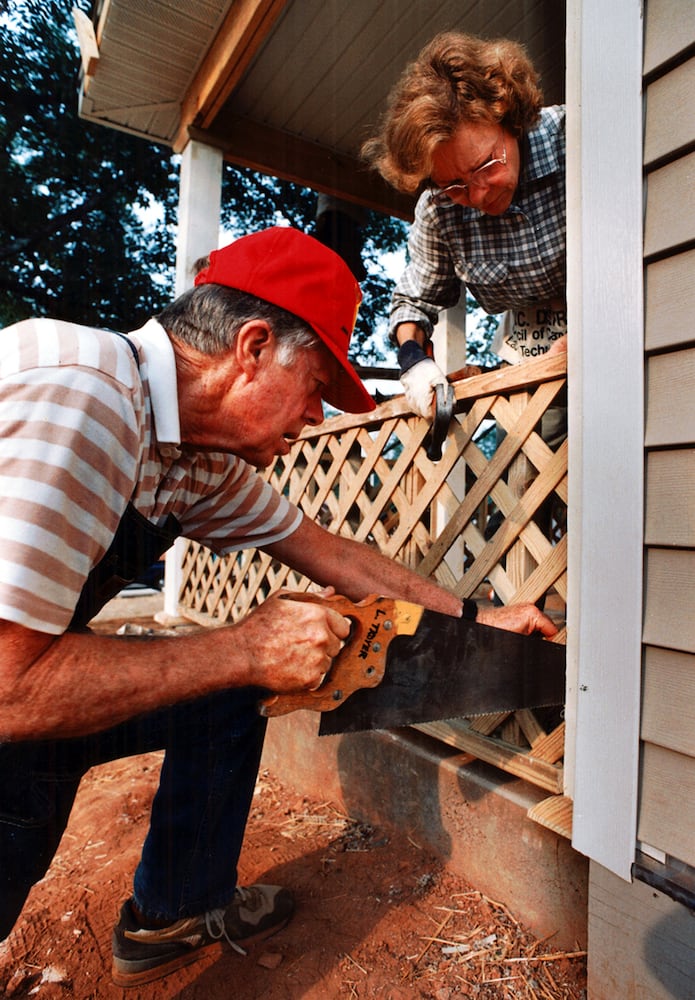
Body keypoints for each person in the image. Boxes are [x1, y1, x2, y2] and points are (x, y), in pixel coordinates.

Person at [0, 226, 556, 987]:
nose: (317, 420)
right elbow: (8, 690)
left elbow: (330, 552)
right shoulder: (85, 395)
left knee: (231, 695)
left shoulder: (188, 454)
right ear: (253, 348)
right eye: (316, 388)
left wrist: (472, 619)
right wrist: (244, 648)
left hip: (19, 677)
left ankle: (175, 911)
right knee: (19, 805)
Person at [361, 31, 567, 434]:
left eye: (486, 165)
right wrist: (413, 362)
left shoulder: (574, 141)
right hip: (534, 375)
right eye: (455, 184)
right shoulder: (440, 211)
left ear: (509, 116)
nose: (477, 194)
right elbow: (412, 302)